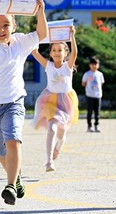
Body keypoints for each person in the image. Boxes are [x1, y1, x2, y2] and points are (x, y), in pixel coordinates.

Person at [0, 0, 48, 205]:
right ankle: (17, 178)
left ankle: (10, 185)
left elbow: (42, 33)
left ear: (14, 26)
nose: (1, 29)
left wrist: (40, 11)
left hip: (13, 102)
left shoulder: (21, 43)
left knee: (13, 140)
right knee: (0, 149)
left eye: (6, 24)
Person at [30, 26, 79, 172]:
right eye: (54, 50)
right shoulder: (48, 65)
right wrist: (36, 37)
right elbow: (34, 52)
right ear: (50, 53)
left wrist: (72, 37)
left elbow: (75, 53)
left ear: (65, 53)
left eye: (60, 50)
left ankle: (59, 147)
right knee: (51, 128)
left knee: (61, 134)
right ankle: (49, 161)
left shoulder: (67, 66)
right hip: (50, 101)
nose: (57, 53)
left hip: (66, 102)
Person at [81, 56, 105, 132]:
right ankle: (89, 126)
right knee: (90, 111)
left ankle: (97, 125)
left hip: (98, 95)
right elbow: (83, 83)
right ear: (90, 65)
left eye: (96, 64)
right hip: (89, 95)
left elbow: (101, 83)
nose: (94, 66)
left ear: (98, 65)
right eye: (92, 64)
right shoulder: (87, 74)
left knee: (97, 111)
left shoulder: (100, 74)